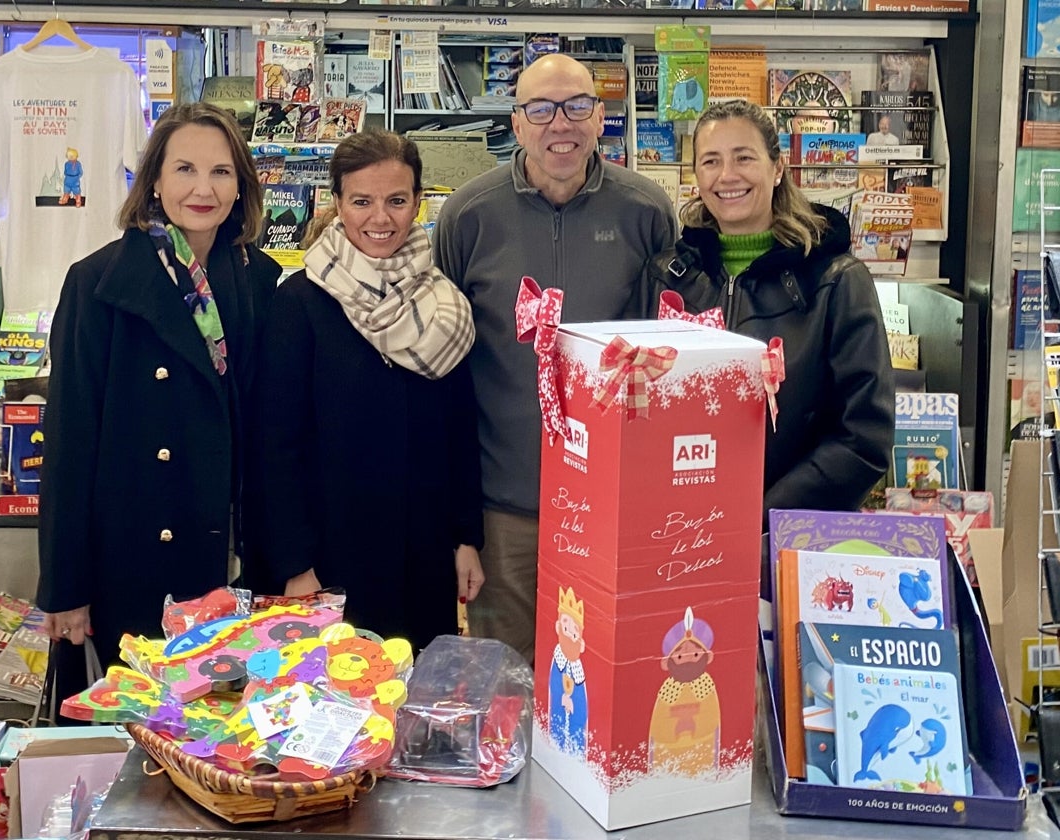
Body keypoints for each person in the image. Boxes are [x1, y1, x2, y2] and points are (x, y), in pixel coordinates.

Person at [432, 53, 678, 663]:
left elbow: (668, 351)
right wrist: (456, 520)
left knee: (602, 676)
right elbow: (445, 371)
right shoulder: (469, 215)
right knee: (501, 684)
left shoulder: (646, 212)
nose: (558, 124)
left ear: (601, 118)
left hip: (612, 504)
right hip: (503, 511)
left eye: (575, 107)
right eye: (539, 109)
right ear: (516, 123)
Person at [37, 103, 281, 704]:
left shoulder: (258, 281)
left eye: (222, 172)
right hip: (134, 552)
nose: (204, 189)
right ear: (154, 179)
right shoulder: (98, 285)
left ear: (242, 185)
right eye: (185, 169)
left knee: (224, 739)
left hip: (229, 558)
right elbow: (69, 442)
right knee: (141, 737)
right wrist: (65, 587)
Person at [256, 129, 484, 653]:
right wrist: (295, 566)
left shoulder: (442, 303)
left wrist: (466, 537)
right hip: (332, 564)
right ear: (337, 203)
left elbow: (459, 429)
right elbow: (276, 445)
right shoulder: (301, 303)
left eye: (396, 201)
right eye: (362, 201)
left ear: (417, 203)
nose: (380, 219)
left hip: (422, 556)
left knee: (415, 712)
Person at [645, 99, 893, 517]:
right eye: (711, 161)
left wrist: (760, 515)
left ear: (778, 169)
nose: (727, 176)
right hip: (682, 528)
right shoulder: (668, 278)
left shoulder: (835, 280)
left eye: (744, 158)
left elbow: (863, 438)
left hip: (787, 537)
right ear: (697, 177)